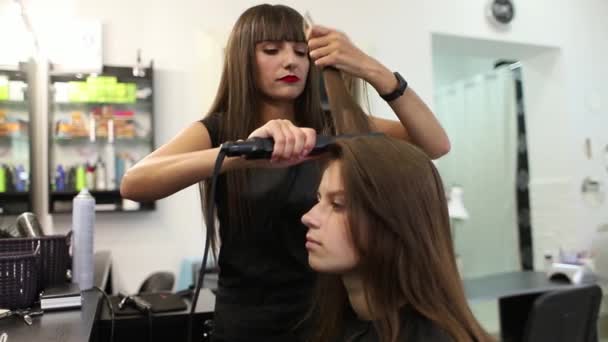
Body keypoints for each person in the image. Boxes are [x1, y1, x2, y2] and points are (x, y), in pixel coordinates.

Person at [120, 4, 450, 341]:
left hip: (330, 321)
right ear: (243, 59)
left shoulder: (332, 127)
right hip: (248, 324)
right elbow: (134, 183)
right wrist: (244, 154)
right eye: (271, 50)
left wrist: (374, 70)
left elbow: (434, 144)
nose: (290, 61)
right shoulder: (220, 130)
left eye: (301, 52)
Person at [302, 135, 491, 342]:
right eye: (319, 199)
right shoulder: (338, 321)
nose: (308, 217)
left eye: (337, 205)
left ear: (395, 222)